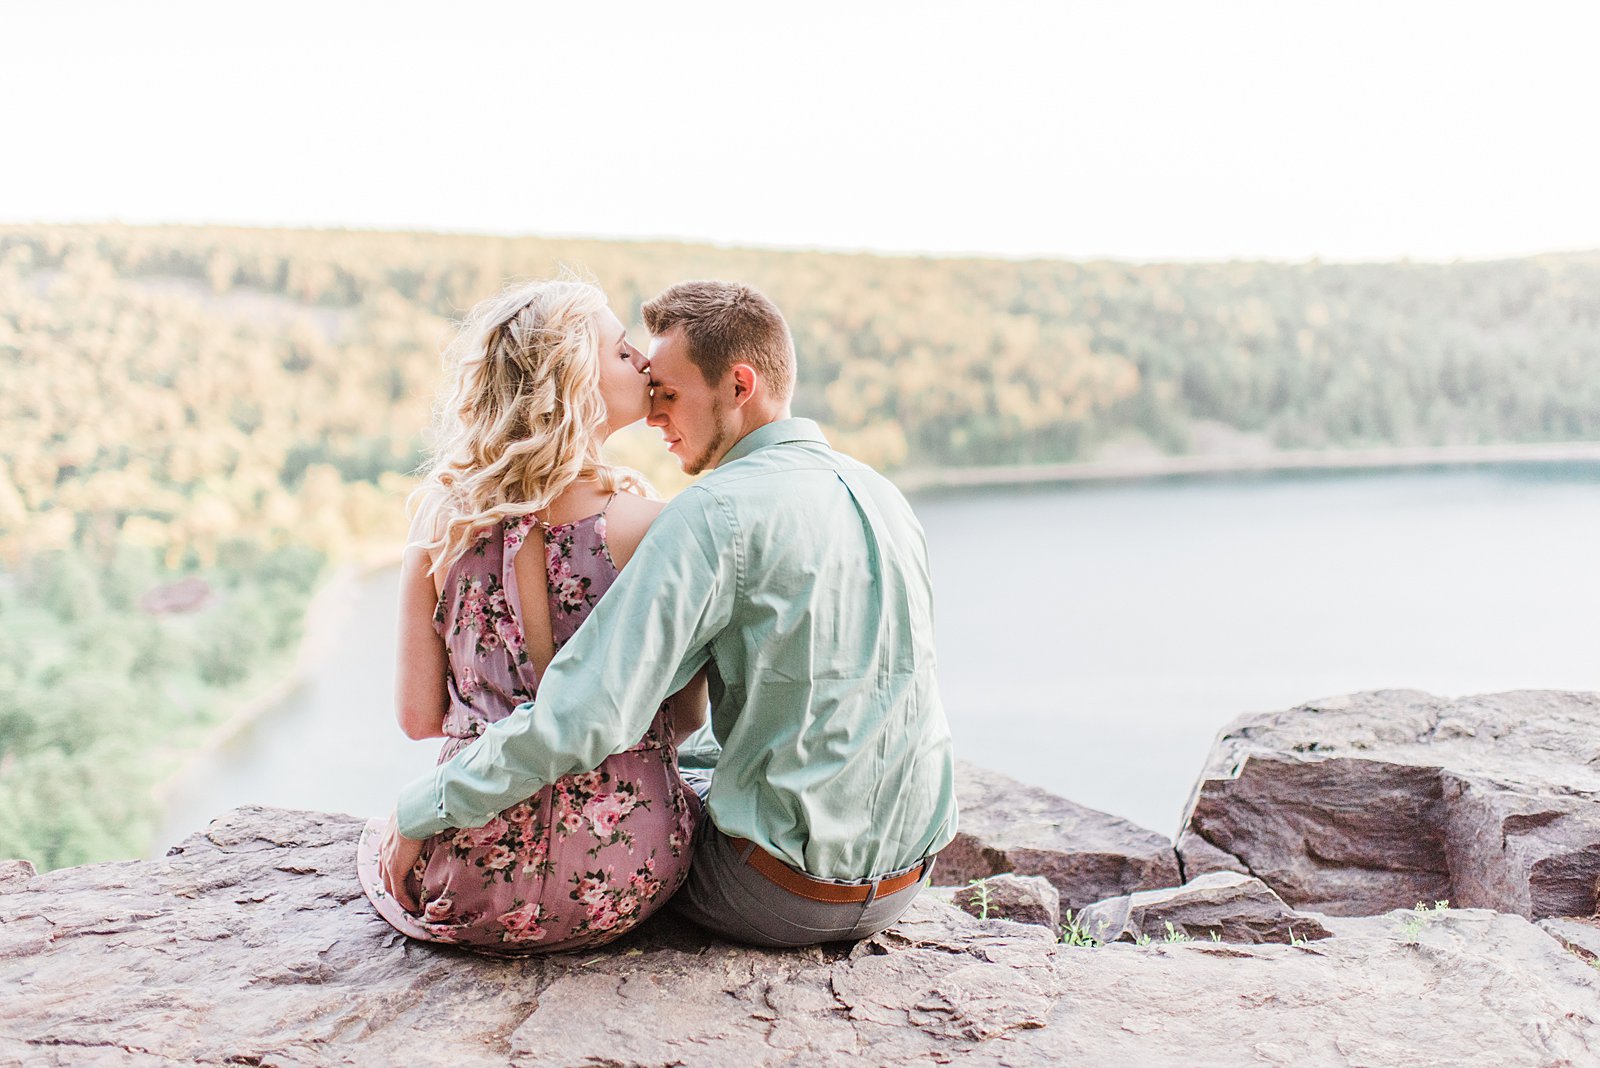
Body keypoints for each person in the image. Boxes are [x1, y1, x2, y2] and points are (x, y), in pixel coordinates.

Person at [379, 280, 958, 947]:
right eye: (636, 369)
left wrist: (423, 808)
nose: (657, 412)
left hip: (776, 896)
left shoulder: (711, 514)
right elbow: (690, 723)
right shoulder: (884, 496)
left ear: (739, 386)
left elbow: (582, 718)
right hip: (908, 879)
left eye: (670, 393)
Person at [355, 278, 704, 953]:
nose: (643, 363)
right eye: (622, 350)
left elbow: (418, 718)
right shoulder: (650, 529)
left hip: (468, 878)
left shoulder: (442, 521)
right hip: (627, 873)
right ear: (576, 380)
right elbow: (685, 719)